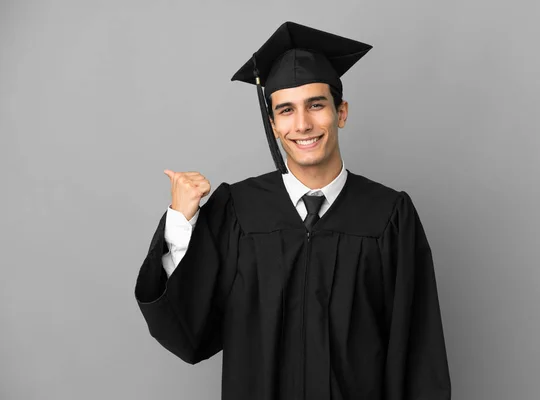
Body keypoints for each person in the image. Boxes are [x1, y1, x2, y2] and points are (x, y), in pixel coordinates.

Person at [134, 21, 451, 400]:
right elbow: (188, 330)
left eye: (316, 105)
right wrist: (180, 224)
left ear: (342, 112)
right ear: (273, 124)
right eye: (286, 110)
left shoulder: (388, 215)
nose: (302, 124)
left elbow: (418, 350)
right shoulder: (237, 211)